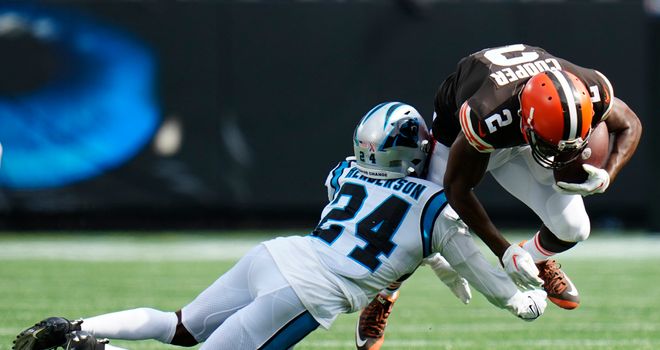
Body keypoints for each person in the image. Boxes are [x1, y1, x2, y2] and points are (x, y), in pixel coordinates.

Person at [13, 102, 547, 350]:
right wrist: (522, 301)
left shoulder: (345, 174)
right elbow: (481, 269)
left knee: (180, 327)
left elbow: (383, 224)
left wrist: (431, 256)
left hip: (276, 255)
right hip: (308, 291)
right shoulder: (436, 205)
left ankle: (80, 327)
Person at [355, 44, 643, 350]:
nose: (560, 154)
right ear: (527, 123)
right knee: (425, 223)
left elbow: (630, 124)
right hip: (463, 137)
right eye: (554, 145)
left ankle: (537, 259)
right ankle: (384, 294)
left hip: (530, 130)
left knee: (573, 228)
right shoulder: (487, 112)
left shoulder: (589, 87)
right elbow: (457, 189)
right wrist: (503, 251)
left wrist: (608, 173)